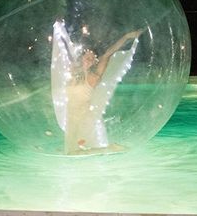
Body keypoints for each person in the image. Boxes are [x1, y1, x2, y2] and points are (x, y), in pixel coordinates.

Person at [52, 21, 144, 154]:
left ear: (95, 62)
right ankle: (106, 149)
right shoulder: (74, 72)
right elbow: (65, 53)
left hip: (84, 117)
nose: (89, 59)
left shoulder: (93, 77)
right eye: (87, 56)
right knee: (70, 152)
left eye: (92, 58)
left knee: (76, 153)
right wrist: (60, 31)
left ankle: (110, 149)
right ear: (82, 57)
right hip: (71, 117)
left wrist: (127, 36)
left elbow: (108, 53)